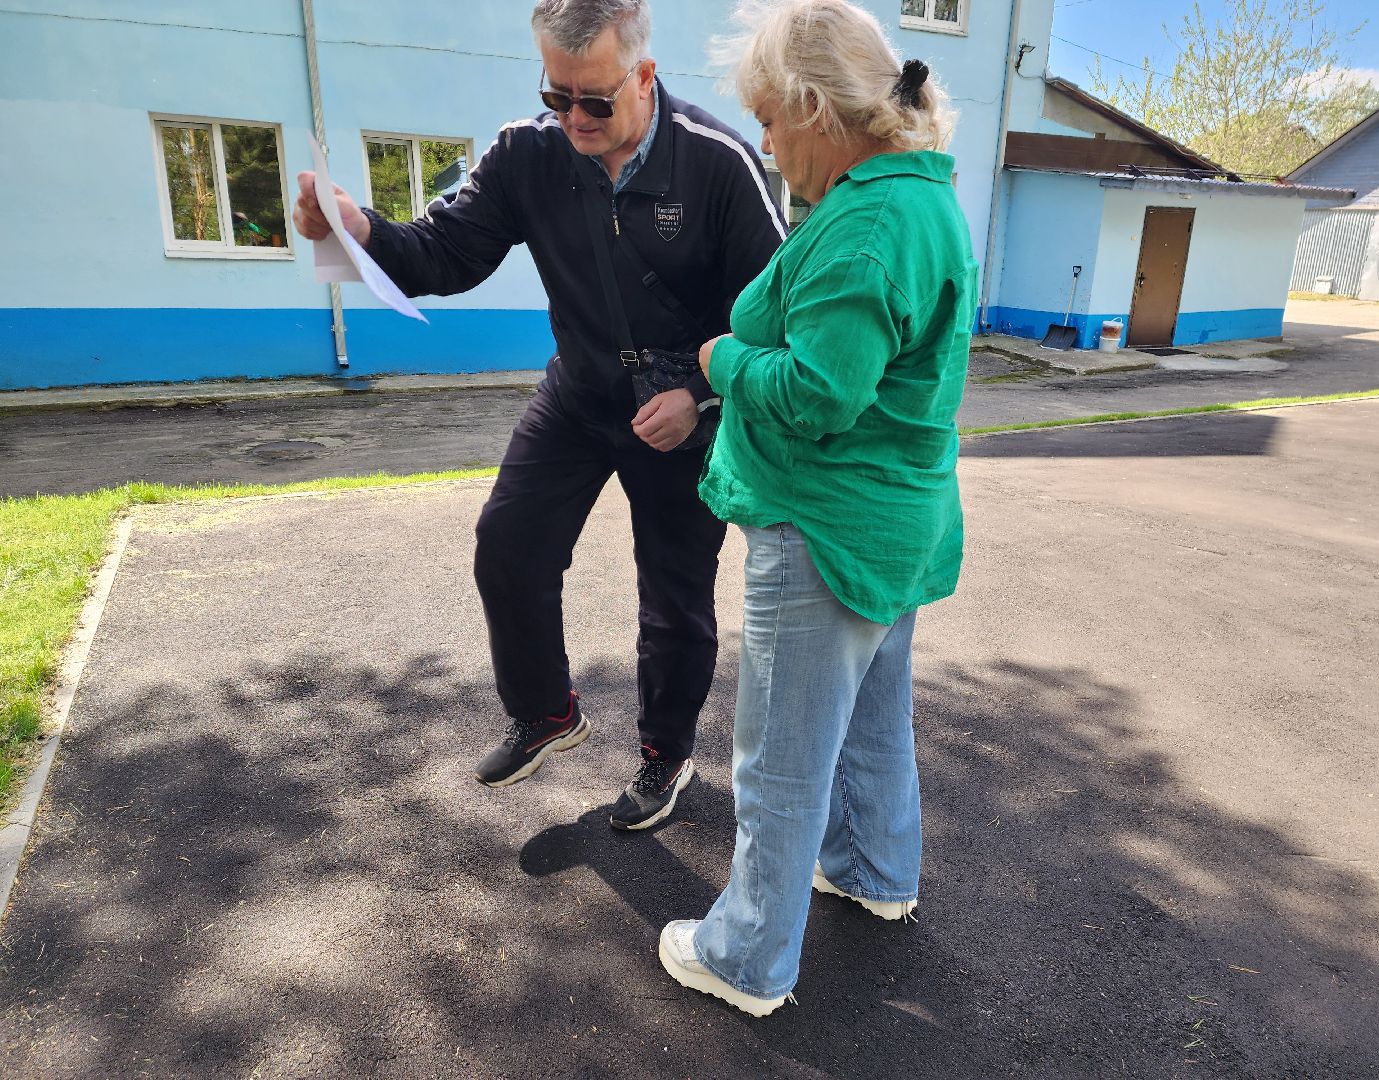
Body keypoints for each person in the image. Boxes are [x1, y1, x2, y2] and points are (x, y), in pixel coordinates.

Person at [292, 0, 786, 830]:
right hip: (581, 390)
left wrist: (703, 397)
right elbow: (443, 256)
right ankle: (547, 713)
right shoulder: (528, 152)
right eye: (557, 96)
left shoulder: (718, 164)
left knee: (674, 599)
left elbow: (775, 314)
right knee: (508, 542)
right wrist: (360, 227)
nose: (574, 118)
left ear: (644, 75)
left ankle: (665, 757)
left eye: (594, 99)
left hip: (681, 410)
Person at [656, 0, 978, 1015]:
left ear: (814, 108)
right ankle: (876, 872)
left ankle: (747, 958)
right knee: (876, 721)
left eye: (767, 118)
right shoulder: (918, 196)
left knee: (778, 761)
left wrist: (724, 358)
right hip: (894, 519)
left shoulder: (868, 221)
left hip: (827, 526)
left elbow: (820, 393)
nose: (763, 142)